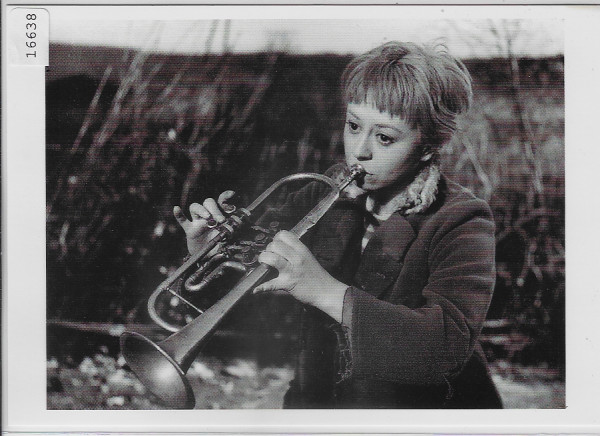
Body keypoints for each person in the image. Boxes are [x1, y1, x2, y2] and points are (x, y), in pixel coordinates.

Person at [173, 41, 502, 409]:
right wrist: (209, 252)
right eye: (353, 125)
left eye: (384, 137)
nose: (359, 151)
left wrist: (326, 291)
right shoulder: (320, 191)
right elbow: (251, 280)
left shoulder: (462, 220)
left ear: (426, 148)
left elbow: (445, 348)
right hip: (316, 403)